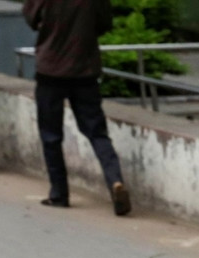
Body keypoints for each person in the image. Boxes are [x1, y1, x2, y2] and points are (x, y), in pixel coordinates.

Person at [22, 0, 131, 215]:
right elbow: (105, 23)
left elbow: (30, 18)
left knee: (51, 134)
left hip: (51, 69)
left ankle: (59, 194)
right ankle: (115, 180)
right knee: (97, 132)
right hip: (85, 68)